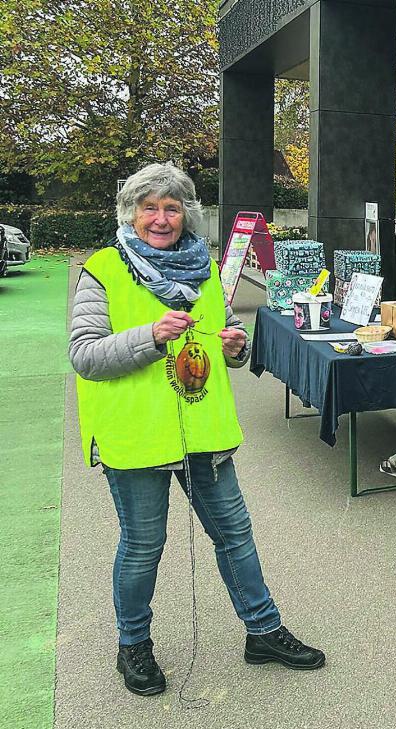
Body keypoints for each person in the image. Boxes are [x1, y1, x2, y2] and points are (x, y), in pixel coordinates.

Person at [69, 163, 324, 698]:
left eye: (172, 207)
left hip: (203, 434)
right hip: (136, 436)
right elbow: (85, 356)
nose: (161, 218)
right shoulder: (104, 269)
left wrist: (236, 349)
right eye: (150, 207)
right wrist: (150, 337)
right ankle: (132, 644)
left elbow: (217, 339)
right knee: (144, 545)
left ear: (187, 213)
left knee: (235, 534)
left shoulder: (205, 270)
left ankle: (263, 631)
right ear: (130, 212)